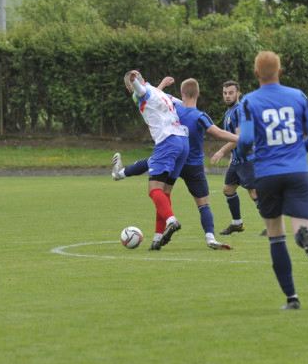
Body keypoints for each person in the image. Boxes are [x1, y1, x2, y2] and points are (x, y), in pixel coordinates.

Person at [237, 51, 308, 309]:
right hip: (297, 171)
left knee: (276, 236)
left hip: (267, 174)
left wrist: (243, 156)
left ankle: (292, 297)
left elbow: (244, 140)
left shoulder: (249, 102)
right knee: (300, 226)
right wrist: (296, 152)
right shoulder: (298, 96)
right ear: (280, 71)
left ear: (255, 74)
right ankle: (305, 235)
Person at [113, 78, 238, 250]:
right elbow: (218, 133)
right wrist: (241, 139)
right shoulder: (200, 116)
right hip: (192, 163)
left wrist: (161, 85)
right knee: (203, 204)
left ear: (182, 94)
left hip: (172, 157)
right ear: (199, 94)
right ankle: (210, 238)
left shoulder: (174, 108)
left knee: (162, 193)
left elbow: (153, 99)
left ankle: (158, 235)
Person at [121, 70, 188, 251]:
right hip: (183, 141)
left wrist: (134, 82)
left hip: (167, 142)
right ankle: (157, 239)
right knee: (164, 194)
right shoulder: (161, 93)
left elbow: (140, 93)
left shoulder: (139, 93)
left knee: (154, 191)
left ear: (130, 86)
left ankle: (171, 220)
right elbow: (182, 103)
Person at [211, 81, 263, 236]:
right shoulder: (229, 112)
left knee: (253, 193)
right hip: (237, 160)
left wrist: (221, 151)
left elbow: (240, 138)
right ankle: (237, 224)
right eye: (225, 93)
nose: (227, 96)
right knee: (228, 190)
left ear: (238, 93)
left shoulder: (240, 110)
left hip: (248, 159)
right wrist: (232, 156)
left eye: (231, 93)